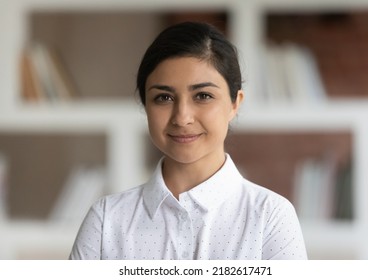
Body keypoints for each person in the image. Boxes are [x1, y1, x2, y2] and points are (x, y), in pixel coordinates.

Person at [69, 21, 307, 260]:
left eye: (203, 96)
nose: (182, 118)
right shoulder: (106, 221)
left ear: (235, 103)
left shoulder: (270, 217)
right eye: (163, 98)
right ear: (145, 106)